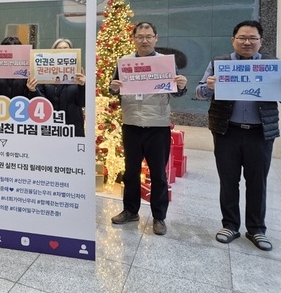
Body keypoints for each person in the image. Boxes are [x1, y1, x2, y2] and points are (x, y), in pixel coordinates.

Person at [196, 20, 276, 251]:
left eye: (252, 38)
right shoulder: (219, 63)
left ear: (261, 41)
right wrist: (209, 87)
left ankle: (256, 229)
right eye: (242, 38)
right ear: (233, 40)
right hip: (226, 131)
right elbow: (199, 92)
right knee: (228, 180)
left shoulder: (272, 65)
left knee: (257, 183)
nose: (247, 42)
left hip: (260, 133)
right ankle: (230, 225)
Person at [109, 22, 187, 236]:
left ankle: (159, 217)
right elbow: (113, 88)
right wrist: (113, 88)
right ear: (133, 38)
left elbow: (177, 92)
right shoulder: (124, 63)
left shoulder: (164, 63)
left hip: (158, 126)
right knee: (131, 172)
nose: (144, 40)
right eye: (140, 36)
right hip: (131, 124)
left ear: (156, 38)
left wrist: (181, 85)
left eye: (148, 36)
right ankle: (130, 210)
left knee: (159, 175)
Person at [35, 38, 86, 136]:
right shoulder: (44, 73)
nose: (63, 50)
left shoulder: (79, 74)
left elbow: (82, 103)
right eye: (59, 48)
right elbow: (40, 100)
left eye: (66, 48)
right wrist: (33, 90)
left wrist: (82, 86)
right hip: (50, 123)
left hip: (73, 125)